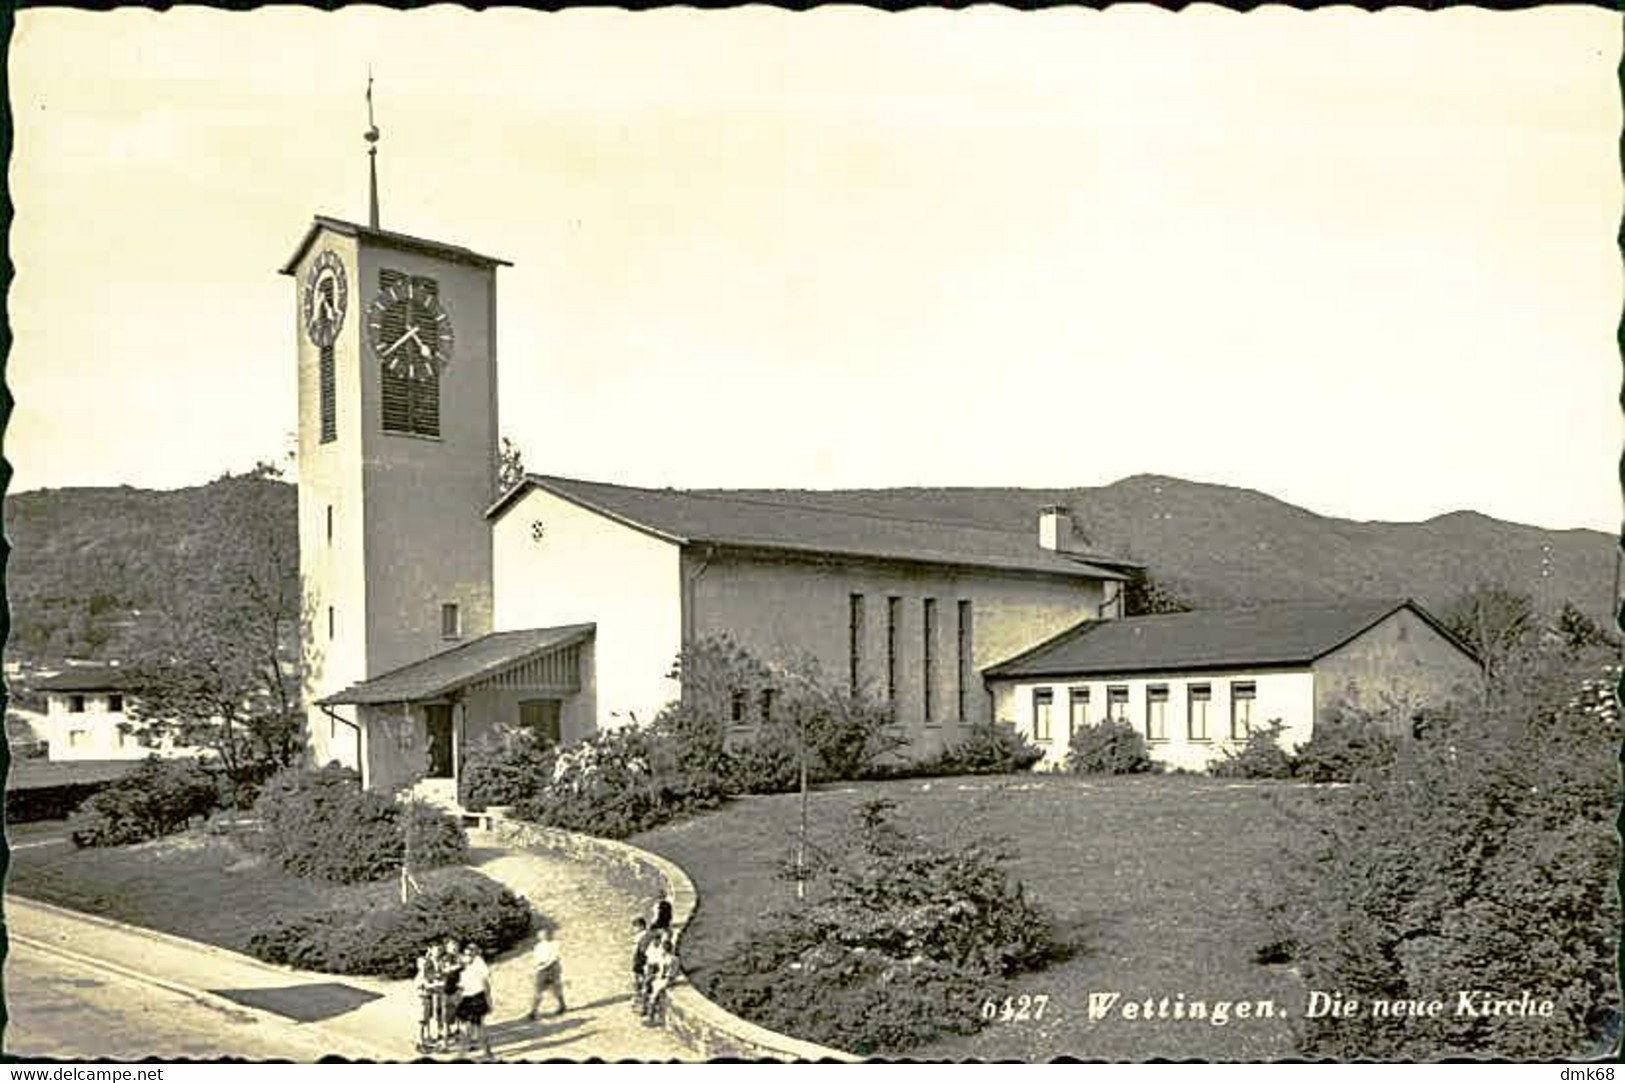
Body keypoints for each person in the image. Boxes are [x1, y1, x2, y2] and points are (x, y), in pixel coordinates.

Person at [456, 944, 494, 1060]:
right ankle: (462, 1054)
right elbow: (460, 987)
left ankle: (487, 1054)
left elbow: (486, 984)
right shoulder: (463, 969)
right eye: (465, 954)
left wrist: (489, 1001)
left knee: (478, 1027)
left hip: (477, 997)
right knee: (466, 1028)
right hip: (466, 999)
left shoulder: (478, 966)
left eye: (470, 954)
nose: (466, 956)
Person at [527, 925, 567, 1020]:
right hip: (542, 970)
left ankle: (562, 1006)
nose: (544, 935)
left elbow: (555, 957)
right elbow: (536, 959)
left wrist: (548, 964)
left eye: (545, 933)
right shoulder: (538, 947)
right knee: (538, 991)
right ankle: (533, 1010)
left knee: (556, 989)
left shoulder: (555, 944)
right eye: (541, 934)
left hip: (552, 969)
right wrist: (537, 967)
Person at [642, 928, 677, 1028]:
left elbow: (669, 974)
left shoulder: (672, 959)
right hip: (661, 977)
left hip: (666, 979)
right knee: (648, 983)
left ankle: (651, 1017)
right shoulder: (665, 957)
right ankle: (645, 1006)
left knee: (654, 994)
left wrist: (660, 977)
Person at [414, 944, 442, 1053]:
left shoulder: (425, 975)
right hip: (421, 1002)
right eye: (423, 965)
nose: (425, 966)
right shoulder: (420, 977)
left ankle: (424, 1041)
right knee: (421, 1022)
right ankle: (419, 1042)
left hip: (426, 1000)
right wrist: (439, 985)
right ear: (419, 966)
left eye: (426, 964)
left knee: (425, 1021)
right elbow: (427, 986)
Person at [438, 938, 464, 1052]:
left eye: (455, 946)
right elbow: (445, 970)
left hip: (459, 990)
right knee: (446, 1019)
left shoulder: (461, 957)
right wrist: (459, 966)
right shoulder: (445, 958)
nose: (453, 948)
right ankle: (445, 1044)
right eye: (451, 946)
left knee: (461, 1017)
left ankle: (463, 1042)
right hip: (446, 991)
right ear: (447, 947)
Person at [630, 917, 655, 1016]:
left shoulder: (641, 937)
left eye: (635, 927)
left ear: (640, 926)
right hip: (644, 960)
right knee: (642, 983)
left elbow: (637, 951)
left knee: (639, 983)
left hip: (641, 960)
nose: (634, 930)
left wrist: (635, 961)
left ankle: (641, 1006)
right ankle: (642, 1005)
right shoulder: (649, 934)